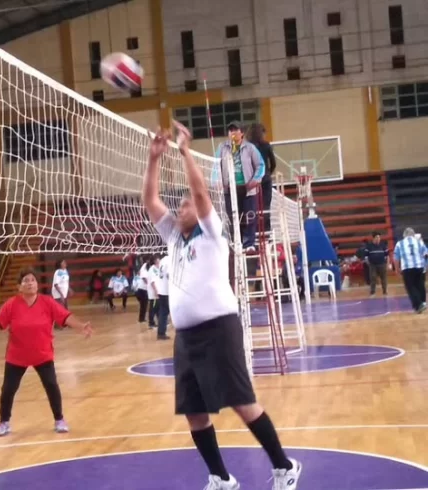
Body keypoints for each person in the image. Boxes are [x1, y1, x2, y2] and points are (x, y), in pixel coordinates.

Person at [143, 121, 301, 490]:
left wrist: (185, 151)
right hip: (186, 337)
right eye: (180, 205)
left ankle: (285, 466)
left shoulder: (213, 233)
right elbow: (150, 201)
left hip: (219, 328)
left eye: (186, 205)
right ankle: (221, 478)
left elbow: (200, 193)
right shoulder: (174, 239)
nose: (181, 207)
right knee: (195, 413)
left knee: (242, 403)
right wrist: (153, 159)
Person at [0, 268, 93, 437]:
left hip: (42, 354)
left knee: (51, 385)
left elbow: (65, 317)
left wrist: (80, 326)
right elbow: (0, 322)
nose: (29, 283)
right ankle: (4, 422)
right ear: (19, 287)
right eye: (25, 280)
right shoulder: (11, 304)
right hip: (17, 355)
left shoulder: (47, 302)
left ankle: (59, 419)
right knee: (8, 389)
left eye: (32, 280)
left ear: (37, 284)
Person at [214, 121, 265, 252]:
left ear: (241, 133)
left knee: (250, 216)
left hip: (248, 188)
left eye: (235, 130)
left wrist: (256, 180)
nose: (232, 132)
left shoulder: (250, 148)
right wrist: (217, 181)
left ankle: (249, 244)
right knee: (231, 217)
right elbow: (215, 166)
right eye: (230, 130)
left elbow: (260, 165)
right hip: (229, 189)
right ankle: (235, 243)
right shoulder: (222, 148)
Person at [246, 123, 276, 231]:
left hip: (252, 179)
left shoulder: (247, 147)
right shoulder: (266, 145)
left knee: (253, 205)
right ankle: (266, 230)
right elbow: (273, 163)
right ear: (262, 133)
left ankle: (254, 230)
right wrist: (268, 173)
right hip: (265, 179)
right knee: (266, 206)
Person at [393, 227, 427, 313]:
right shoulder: (419, 242)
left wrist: (397, 269)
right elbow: (426, 253)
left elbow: (396, 258)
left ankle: (419, 304)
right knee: (420, 284)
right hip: (419, 266)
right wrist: (425, 265)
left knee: (410, 287)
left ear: (404, 235)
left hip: (407, 268)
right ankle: (422, 302)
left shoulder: (399, 243)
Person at [52, 260, 70, 329]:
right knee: (60, 309)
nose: (65, 263)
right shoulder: (58, 272)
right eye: (63, 263)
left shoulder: (66, 271)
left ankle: (66, 323)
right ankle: (57, 325)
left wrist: (69, 290)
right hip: (58, 294)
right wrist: (61, 294)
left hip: (64, 293)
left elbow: (65, 282)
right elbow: (56, 284)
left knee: (65, 309)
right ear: (60, 264)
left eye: (65, 262)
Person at [156, 255, 171, 340]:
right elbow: (169, 275)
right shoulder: (169, 259)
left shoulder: (162, 260)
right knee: (166, 312)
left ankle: (161, 333)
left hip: (161, 290)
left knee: (163, 312)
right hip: (167, 291)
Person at [147, 256, 161, 328]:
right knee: (153, 308)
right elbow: (152, 282)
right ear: (155, 261)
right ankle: (151, 323)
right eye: (158, 259)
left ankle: (160, 321)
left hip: (158, 291)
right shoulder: (152, 269)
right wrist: (156, 291)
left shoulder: (157, 269)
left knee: (158, 307)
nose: (159, 260)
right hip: (153, 292)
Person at [135, 258, 150, 323]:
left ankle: (142, 319)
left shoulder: (146, 267)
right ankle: (141, 319)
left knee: (144, 305)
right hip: (142, 290)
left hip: (143, 290)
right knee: (143, 305)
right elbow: (144, 278)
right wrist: (149, 284)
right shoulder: (144, 267)